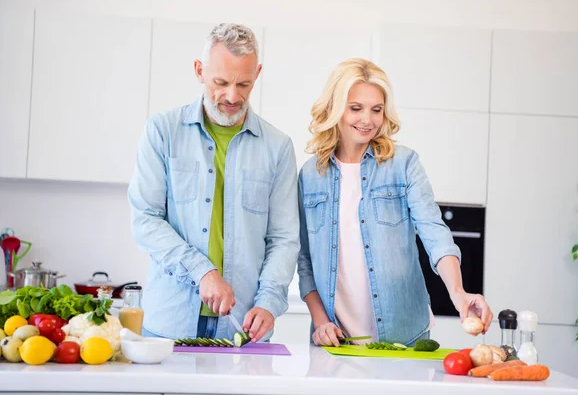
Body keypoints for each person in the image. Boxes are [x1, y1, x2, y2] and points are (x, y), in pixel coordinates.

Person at [297, 58, 492, 347]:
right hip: (336, 342)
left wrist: (458, 292)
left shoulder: (403, 164)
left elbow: (434, 232)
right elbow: (306, 263)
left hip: (404, 336)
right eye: (355, 108)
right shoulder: (311, 175)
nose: (368, 120)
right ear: (334, 108)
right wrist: (321, 321)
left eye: (376, 110)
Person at [128, 23, 300, 343]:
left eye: (244, 84)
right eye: (220, 82)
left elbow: (284, 238)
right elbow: (145, 219)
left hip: (243, 327)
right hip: (169, 324)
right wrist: (202, 271)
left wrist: (269, 303)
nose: (232, 96)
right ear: (199, 70)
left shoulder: (277, 147)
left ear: (257, 74)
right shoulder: (162, 132)